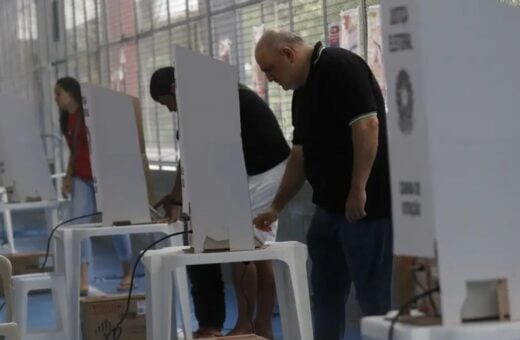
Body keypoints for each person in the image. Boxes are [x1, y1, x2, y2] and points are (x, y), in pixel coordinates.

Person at [253, 30, 393, 339]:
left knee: (374, 299)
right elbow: (300, 155)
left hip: (366, 208)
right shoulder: (302, 92)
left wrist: (358, 189)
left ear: (288, 54)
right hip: (328, 209)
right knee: (325, 294)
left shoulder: (339, 66)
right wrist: (276, 206)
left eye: (270, 70)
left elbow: (367, 125)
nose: (269, 79)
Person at [150, 66, 290, 340]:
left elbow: (191, 157)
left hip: (267, 171)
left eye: (166, 103)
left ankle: (254, 325)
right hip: (248, 173)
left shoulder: (211, 99)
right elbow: (190, 156)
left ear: (175, 90)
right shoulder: (207, 98)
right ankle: (253, 325)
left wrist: (180, 198)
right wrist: (178, 197)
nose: (169, 111)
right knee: (243, 249)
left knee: (247, 250)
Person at [54, 77, 134, 295]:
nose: (56, 99)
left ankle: (128, 271)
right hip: (81, 178)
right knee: (79, 227)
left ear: (71, 93)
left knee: (116, 225)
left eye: (58, 93)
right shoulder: (66, 120)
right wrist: (68, 177)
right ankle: (82, 279)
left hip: (103, 177)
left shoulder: (89, 114)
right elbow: (73, 151)